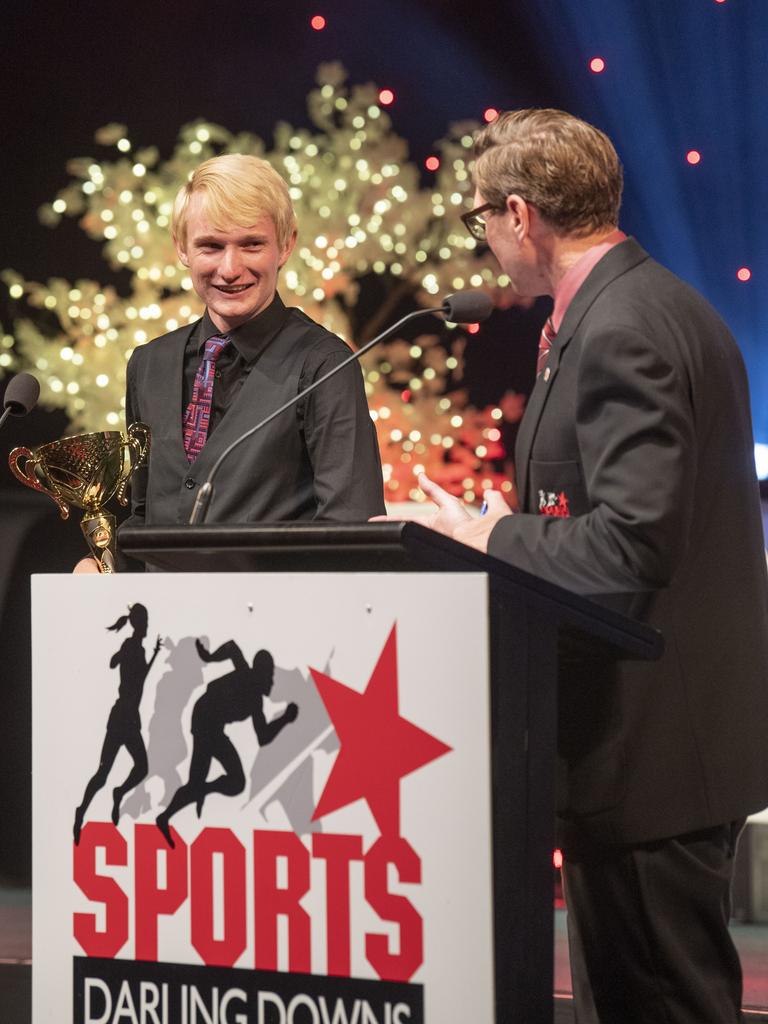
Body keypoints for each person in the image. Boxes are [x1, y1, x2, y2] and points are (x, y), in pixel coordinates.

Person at [406, 109, 768, 1023]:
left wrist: (491, 542)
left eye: (480, 218)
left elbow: (632, 545)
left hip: (650, 756)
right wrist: (518, 525)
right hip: (652, 747)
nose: (483, 240)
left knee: (661, 1004)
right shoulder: (643, 304)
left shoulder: (622, 328)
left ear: (520, 214)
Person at [75, 153, 384, 572]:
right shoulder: (149, 364)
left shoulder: (325, 365)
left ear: (286, 244)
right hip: (161, 628)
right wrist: (104, 567)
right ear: (182, 248)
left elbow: (351, 530)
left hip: (270, 627)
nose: (230, 268)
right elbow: (146, 517)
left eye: (251, 244)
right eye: (211, 246)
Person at [155, 638, 296, 848]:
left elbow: (263, 736)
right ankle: (176, 808)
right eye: (269, 675)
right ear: (260, 672)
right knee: (216, 782)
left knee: (227, 782)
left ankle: (170, 813)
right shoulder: (246, 675)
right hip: (204, 721)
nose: (271, 681)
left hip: (213, 727)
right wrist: (208, 657)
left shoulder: (256, 702)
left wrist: (284, 719)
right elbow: (232, 648)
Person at [73, 603, 162, 843]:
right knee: (104, 772)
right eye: (145, 622)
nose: (147, 626)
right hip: (124, 717)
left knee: (137, 767)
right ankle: (82, 810)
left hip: (128, 718)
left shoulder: (136, 648)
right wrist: (129, 655)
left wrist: (152, 655)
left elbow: (131, 673)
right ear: (139, 623)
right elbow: (129, 674)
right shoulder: (133, 647)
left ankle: (117, 793)